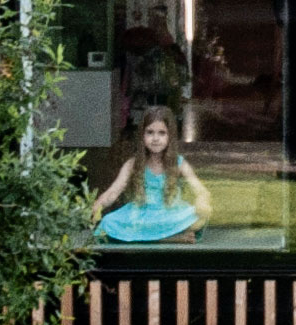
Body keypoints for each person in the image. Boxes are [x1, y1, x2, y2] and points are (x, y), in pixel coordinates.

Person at [89, 104, 210, 245]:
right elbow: (114, 191)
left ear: (170, 136)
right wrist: (97, 206)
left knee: (200, 215)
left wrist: (202, 201)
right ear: (142, 136)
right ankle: (169, 238)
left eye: (162, 133)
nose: (155, 138)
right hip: (141, 216)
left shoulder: (178, 163)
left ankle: (151, 237)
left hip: (170, 214)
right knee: (109, 222)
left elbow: (200, 189)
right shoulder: (132, 164)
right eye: (150, 132)